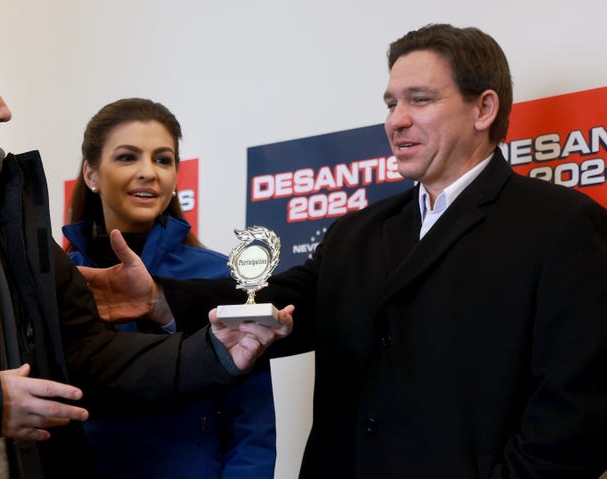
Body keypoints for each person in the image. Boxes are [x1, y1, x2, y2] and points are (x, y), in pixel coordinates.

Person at [81, 24, 607, 478]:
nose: (396, 119)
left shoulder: (559, 225)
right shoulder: (359, 231)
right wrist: (159, 298)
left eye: (419, 100)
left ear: (484, 108)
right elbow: (280, 303)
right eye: (390, 103)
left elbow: (576, 416)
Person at [0, 8, 292, 479]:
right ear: (90, 173)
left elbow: (93, 356)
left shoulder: (11, 234)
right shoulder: (55, 253)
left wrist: (212, 352)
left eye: (164, 158)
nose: (3, 108)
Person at [62, 97, 277, 478]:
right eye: (128, 157)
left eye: (163, 159)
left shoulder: (221, 277)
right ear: (91, 174)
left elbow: (252, 428)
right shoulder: (61, 278)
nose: (149, 172)